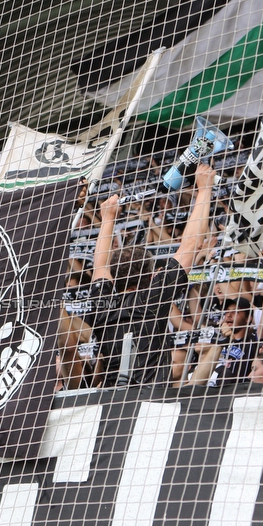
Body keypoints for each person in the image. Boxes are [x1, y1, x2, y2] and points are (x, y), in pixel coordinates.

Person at [84, 163, 216, 387]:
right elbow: (190, 245)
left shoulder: (103, 303)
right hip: (149, 404)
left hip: (107, 403)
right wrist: (205, 190)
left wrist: (107, 219)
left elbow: (99, 267)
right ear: (151, 276)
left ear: (114, 279)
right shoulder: (153, 297)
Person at [187, 297, 259, 387]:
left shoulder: (253, 341)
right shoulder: (216, 341)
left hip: (235, 391)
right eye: (227, 311)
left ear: (248, 318)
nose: (229, 315)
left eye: (235, 311)